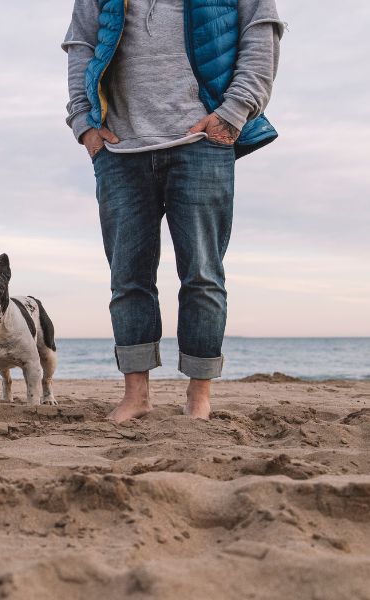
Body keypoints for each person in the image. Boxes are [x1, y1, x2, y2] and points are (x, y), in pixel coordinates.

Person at [62, 0, 284, 422]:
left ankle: (198, 397)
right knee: (127, 278)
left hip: (203, 144)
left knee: (202, 274)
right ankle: (136, 395)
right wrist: (84, 125)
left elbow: (262, 30)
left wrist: (234, 113)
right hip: (119, 149)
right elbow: (81, 44)